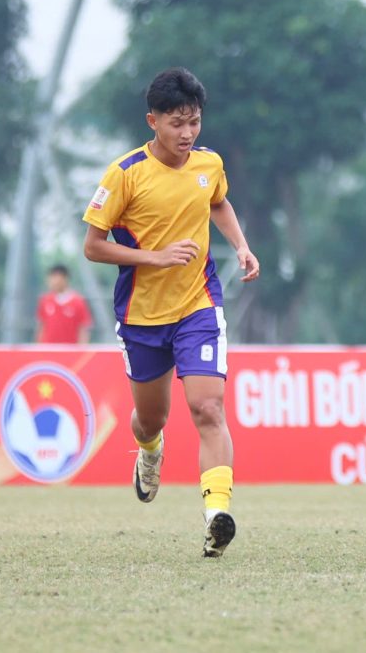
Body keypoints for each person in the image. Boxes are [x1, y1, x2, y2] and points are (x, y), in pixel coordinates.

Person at [82, 67, 260, 558]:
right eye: (177, 123)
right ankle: (149, 451)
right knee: (150, 419)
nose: (187, 134)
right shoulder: (124, 175)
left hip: (198, 305)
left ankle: (216, 513)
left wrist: (242, 247)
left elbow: (218, 202)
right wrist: (152, 257)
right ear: (153, 121)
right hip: (142, 316)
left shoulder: (209, 163)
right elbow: (93, 247)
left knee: (208, 407)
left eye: (195, 122)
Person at [35, 264, 92, 344]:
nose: (52, 282)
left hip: (69, 351)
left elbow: (83, 328)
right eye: (51, 278)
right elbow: (41, 326)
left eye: (55, 277)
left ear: (65, 278)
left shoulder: (78, 302)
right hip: (48, 350)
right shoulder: (45, 300)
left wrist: (81, 349)